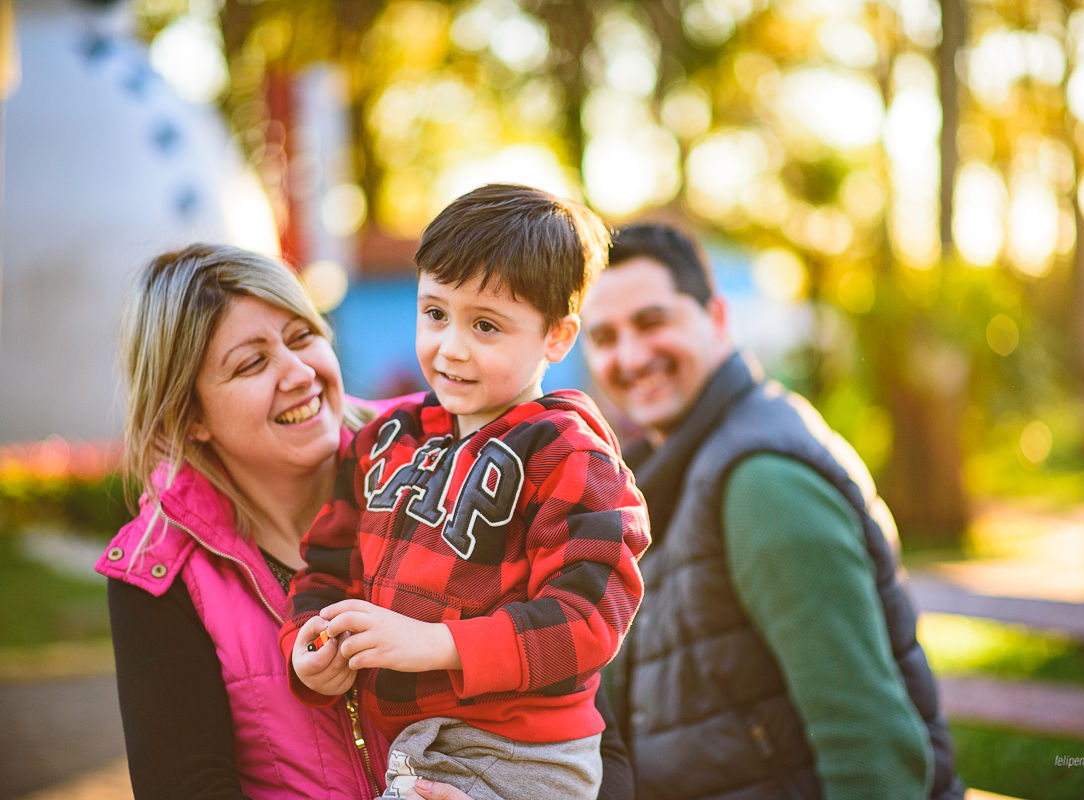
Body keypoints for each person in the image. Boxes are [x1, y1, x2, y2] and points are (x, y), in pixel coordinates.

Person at [95, 243, 635, 800]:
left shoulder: (460, 456)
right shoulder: (157, 574)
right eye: (251, 363)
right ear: (191, 418)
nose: (299, 372)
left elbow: (595, 737)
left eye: (302, 336)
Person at [279, 185, 651, 800]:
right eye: (435, 313)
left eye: (485, 325)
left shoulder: (568, 451)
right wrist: (308, 649)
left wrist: (439, 644)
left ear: (556, 338)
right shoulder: (382, 441)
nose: (451, 347)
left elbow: (589, 616)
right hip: (408, 745)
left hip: (523, 753)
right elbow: (324, 565)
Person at [580, 224, 967, 800]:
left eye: (653, 322)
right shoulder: (654, 479)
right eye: (605, 336)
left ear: (716, 318)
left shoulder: (760, 481)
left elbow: (868, 743)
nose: (632, 356)